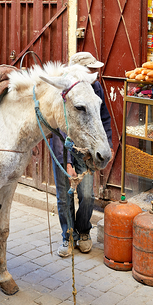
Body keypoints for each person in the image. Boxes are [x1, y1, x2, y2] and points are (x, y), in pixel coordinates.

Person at [50, 52, 113, 258]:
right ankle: (67, 235)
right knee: (64, 197)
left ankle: (83, 231)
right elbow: (59, 130)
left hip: (85, 151)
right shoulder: (63, 91)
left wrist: (107, 144)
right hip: (64, 148)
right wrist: (66, 162)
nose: (95, 73)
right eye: (91, 69)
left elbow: (103, 119)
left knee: (87, 195)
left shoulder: (95, 88)